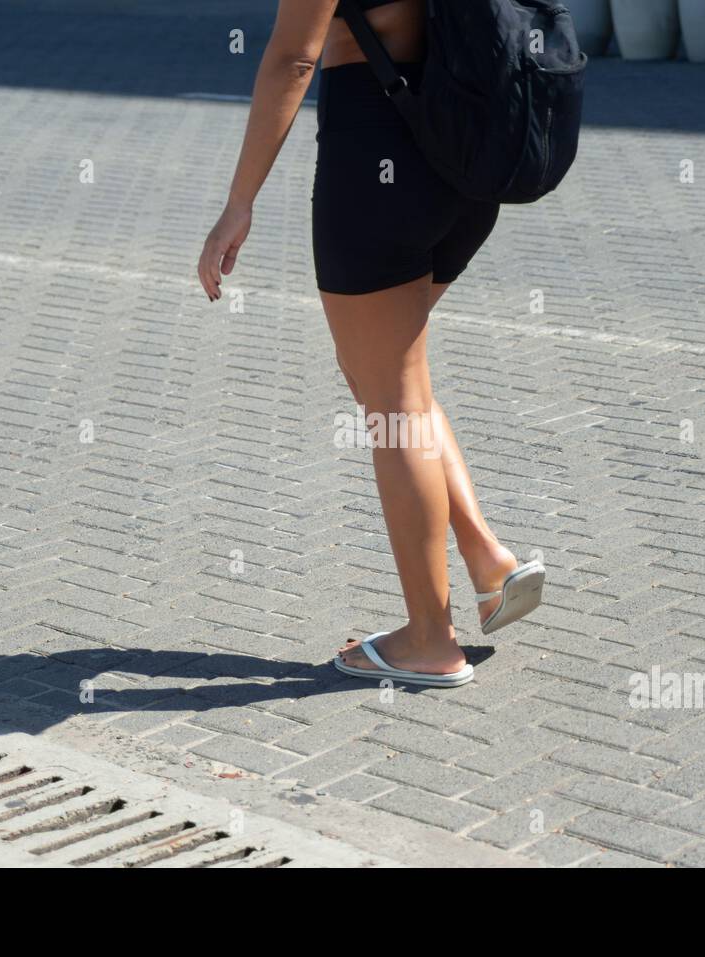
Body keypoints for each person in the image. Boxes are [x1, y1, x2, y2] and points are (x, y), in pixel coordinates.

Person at [197, 0, 544, 688]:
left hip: (383, 148)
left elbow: (293, 56)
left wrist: (239, 201)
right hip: (471, 146)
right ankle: (486, 559)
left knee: (392, 396)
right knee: (386, 375)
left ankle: (428, 639)